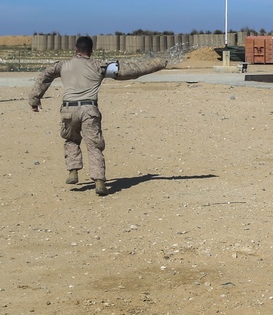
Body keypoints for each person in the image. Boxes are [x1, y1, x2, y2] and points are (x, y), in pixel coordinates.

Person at [28, 36, 168, 196]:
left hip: (68, 110)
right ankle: (99, 181)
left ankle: (73, 171)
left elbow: (44, 77)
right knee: (94, 145)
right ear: (91, 50)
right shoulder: (98, 66)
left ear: (75, 49)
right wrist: (158, 64)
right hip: (89, 110)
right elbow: (131, 71)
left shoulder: (62, 65)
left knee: (71, 140)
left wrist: (35, 99)